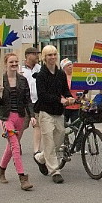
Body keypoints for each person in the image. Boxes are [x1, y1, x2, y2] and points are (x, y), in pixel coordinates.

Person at [0, 52, 36, 191]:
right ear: (6, 64)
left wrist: (32, 115)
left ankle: (1, 170)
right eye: (11, 62)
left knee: (11, 146)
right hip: (6, 118)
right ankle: (23, 178)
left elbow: (28, 100)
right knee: (16, 147)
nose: (14, 64)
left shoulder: (22, 80)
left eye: (16, 62)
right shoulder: (1, 80)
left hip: (20, 117)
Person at [33, 45, 75, 184]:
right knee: (49, 141)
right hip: (45, 111)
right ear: (44, 58)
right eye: (49, 55)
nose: (52, 57)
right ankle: (55, 171)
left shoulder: (61, 74)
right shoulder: (41, 75)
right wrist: (60, 99)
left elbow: (65, 90)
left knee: (59, 138)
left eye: (54, 54)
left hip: (58, 111)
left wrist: (69, 98)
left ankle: (40, 158)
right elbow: (42, 95)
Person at [21, 46, 45, 175]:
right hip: (25, 103)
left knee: (37, 125)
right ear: (28, 55)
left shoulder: (39, 68)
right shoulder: (21, 70)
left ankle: (36, 150)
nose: (37, 56)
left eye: (38, 54)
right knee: (22, 126)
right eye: (35, 54)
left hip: (37, 101)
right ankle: (15, 143)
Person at [60, 58, 81, 125]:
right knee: (61, 126)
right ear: (64, 68)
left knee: (77, 127)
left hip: (76, 105)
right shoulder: (62, 78)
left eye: (71, 64)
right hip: (65, 106)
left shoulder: (77, 77)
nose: (70, 66)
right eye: (68, 65)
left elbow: (82, 89)